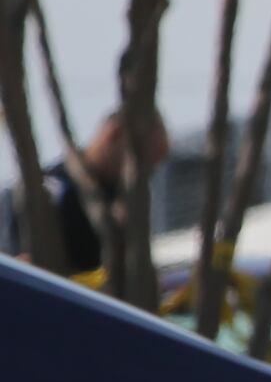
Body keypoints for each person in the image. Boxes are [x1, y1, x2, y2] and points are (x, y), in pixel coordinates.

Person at [6, 108, 164, 277]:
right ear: (114, 134)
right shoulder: (55, 188)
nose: (147, 174)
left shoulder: (123, 203)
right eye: (145, 163)